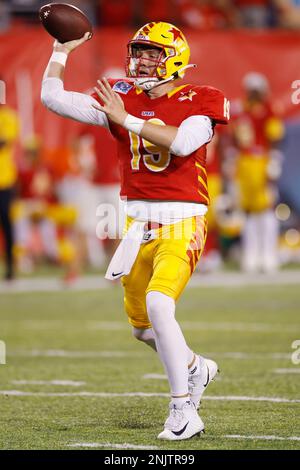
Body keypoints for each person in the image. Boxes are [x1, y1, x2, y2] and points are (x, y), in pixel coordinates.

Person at [41, 21, 229, 440]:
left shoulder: (203, 98)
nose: (142, 61)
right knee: (142, 328)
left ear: (176, 59)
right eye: (138, 52)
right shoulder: (121, 95)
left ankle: (183, 411)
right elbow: (51, 98)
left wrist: (125, 119)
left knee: (161, 306)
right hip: (135, 226)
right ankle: (196, 367)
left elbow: (181, 143)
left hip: (182, 221)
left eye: (152, 54)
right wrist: (61, 50)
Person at [225, 72, 284, 272]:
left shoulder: (268, 109)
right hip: (244, 163)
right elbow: (233, 137)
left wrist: (274, 160)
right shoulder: (239, 109)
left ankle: (269, 254)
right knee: (247, 210)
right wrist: (231, 159)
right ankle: (251, 254)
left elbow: (275, 136)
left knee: (266, 208)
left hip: (261, 161)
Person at [0, 102, 19, 280]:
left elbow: (3, 142)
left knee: (7, 226)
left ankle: (11, 268)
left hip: (4, 181)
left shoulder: (8, 117)